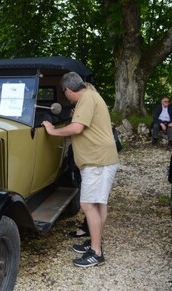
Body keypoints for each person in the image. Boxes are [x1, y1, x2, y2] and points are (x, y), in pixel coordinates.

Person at [42, 72, 119, 268]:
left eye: (65, 92)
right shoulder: (91, 93)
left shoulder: (86, 98)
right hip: (101, 159)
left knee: (87, 205)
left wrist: (53, 131)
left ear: (68, 90)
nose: (66, 96)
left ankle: (96, 253)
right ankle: (95, 242)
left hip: (97, 161)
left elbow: (76, 128)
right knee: (99, 204)